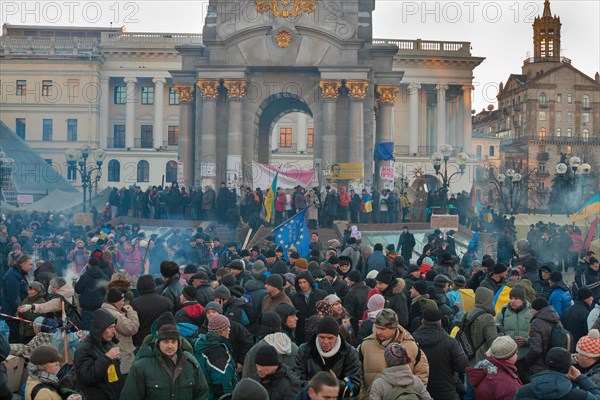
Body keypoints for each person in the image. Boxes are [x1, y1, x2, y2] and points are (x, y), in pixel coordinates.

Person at [120, 324, 209, 399]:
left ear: (179, 343)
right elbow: (129, 396)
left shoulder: (191, 364)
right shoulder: (141, 366)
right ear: (158, 343)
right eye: (166, 342)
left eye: (173, 342)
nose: (170, 346)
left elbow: (202, 393)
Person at [359, 308, 429, 397]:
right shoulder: (366, 345)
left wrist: (413, 395)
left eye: (383, 329)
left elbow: (422, 372)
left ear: (394, 328)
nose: (378, 332)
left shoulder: (411, 345)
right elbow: (358, 374)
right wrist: (362, 397)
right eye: (377, 328)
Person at [294, 316, 361, 397]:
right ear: (317, 335)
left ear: (336, 337)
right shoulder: (304, 350)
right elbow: (296, 381)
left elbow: (355, 387)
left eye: (330, 338)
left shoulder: (349, 353)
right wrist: (317, 385)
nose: (326, 342)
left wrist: (336, 383)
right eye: (322, 337)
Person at [413, 308, 468, 400]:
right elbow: (462, 366)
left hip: (420, 390)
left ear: (422, 321)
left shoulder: (412, 341)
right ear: (440, 323)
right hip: (446, 391)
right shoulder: (450, 342)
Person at [74, 308, 124, 400]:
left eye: (114, 327)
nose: (114, 331)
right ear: (99, 329)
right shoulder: (84, 349)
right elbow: (87, 377)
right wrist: (106, 358)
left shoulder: (108, 344)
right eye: (110, 328)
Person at [515, 347, 600, 400]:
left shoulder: (522, 392)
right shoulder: (580, 396)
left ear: (547, 364)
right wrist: (580, 378)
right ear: (569, 368)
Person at [195, 314, 239, 400]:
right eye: (227, 327)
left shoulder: (204, 344)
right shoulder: (217, 351)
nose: (229, 330)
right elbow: (222, 379)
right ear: (220, 331)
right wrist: (228, 397)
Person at [495, 285, 532, 382]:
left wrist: (527, 340)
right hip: (508, 357)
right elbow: (496, 330)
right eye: (511, 298)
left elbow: (538, 333)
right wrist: (504, 339)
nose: (512, 301)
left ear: (523, 299)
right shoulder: (503, 312)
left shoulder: (531, 312)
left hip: (525, 358)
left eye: (516, 298)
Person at [100, 288, 139, 375]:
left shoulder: (103, 310)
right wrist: (132, 313)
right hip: (123, 354)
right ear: (116, 301)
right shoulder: (116, 315)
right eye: (122, 300)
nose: (123, 303)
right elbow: (132, 329)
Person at [131, 275, 172, 346]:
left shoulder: (135, 303)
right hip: (161, 338)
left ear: (139, 286)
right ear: (153, 285)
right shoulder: (166, 301)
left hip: (141, 340)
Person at [525, 297, 561, 375]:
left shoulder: (536, 323)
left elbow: (536, 349)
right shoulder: (556, 319)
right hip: (554, 362)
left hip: (539, 365)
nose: (531, 311)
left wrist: (526, 360)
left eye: (532, 309)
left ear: (538, 310)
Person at [2, 255, 33, 342]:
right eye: (30, 264)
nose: (31, 267)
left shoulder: (19, 273)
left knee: (17, 335)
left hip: (18, 309)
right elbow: (14, 296)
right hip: (12, 311)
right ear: (23, 264)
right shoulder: (12, 275)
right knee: (15, 336)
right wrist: (19, 310)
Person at [466, 287, 498, 365]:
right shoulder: (487, 317)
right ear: (487, 300)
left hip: (467, 356)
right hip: (481, 359)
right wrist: (501, 334)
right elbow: (493, 342)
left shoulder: (468, 313)